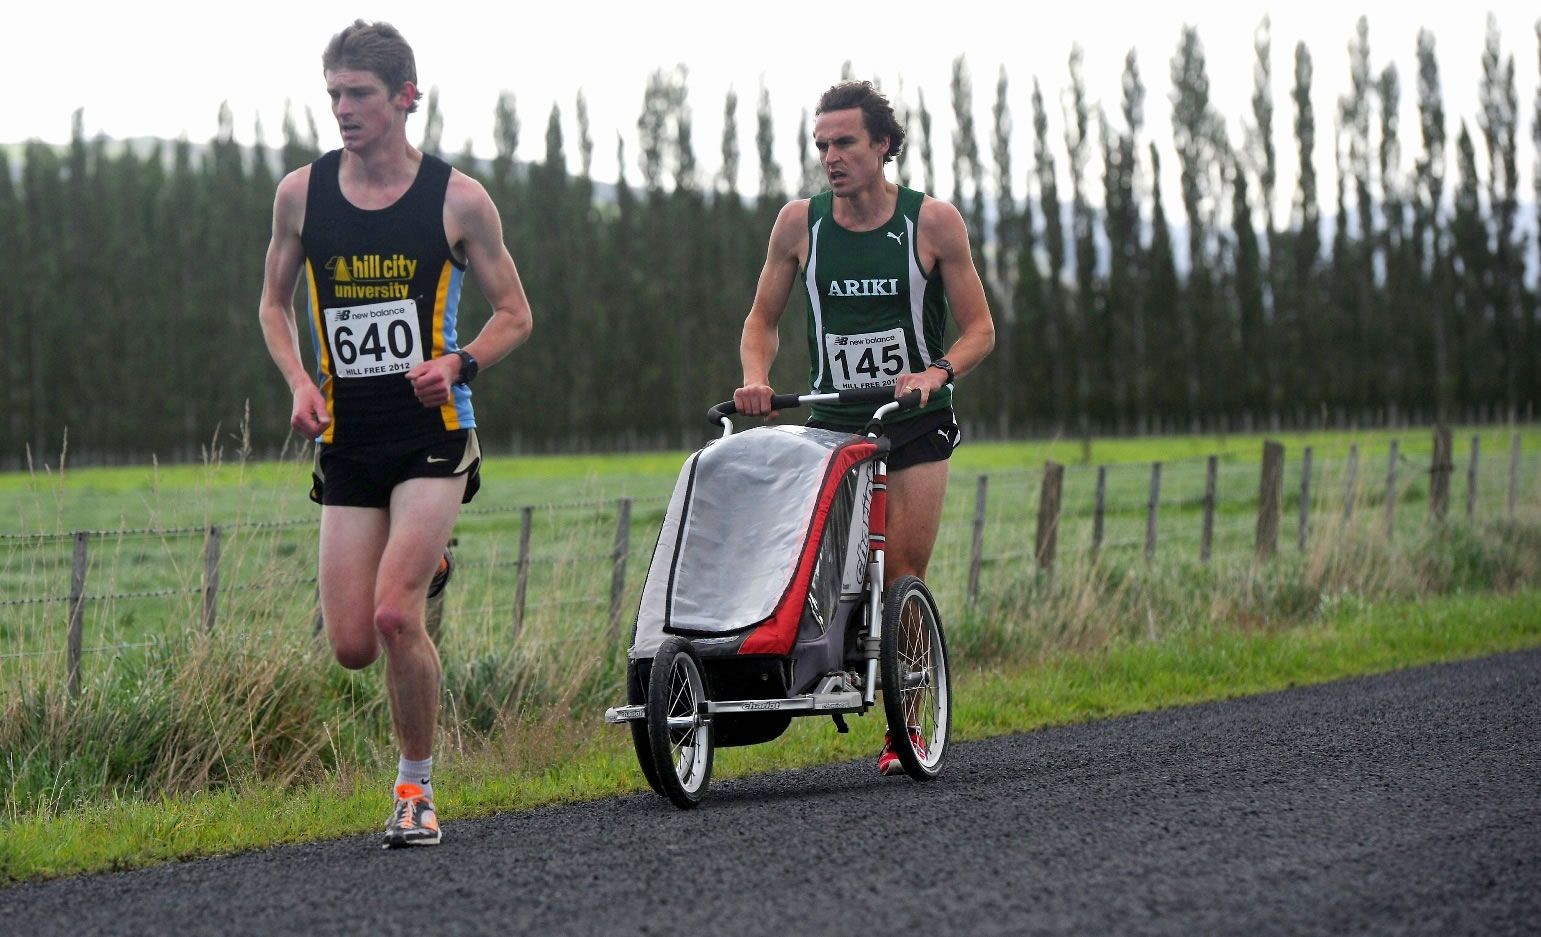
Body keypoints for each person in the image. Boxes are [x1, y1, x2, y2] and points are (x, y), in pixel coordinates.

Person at [257, 20, 533, 847]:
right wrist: (301, 379)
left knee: (392, 617)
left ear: (406, 98)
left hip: (432, 433)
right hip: (347, 437)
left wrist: (459, 363)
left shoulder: (457, 200)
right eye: (334, 93)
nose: (343, 109)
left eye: (360, 95)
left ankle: (415, 789)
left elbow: (515, 314)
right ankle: (432, 560)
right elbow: (272, 304)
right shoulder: (301, 195)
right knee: (348, 645)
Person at [733, 80, 995, 776]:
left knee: (899, 575)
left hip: (914, 426)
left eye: (845, 142)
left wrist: (935, 372)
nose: (830, 156)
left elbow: (980, 331)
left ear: (882, 145)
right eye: (821, 145)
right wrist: (756, 377)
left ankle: (904, 721)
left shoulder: (931, 223)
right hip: (831, 428)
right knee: (822, 579)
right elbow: (761, 321)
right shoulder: (798, 224)